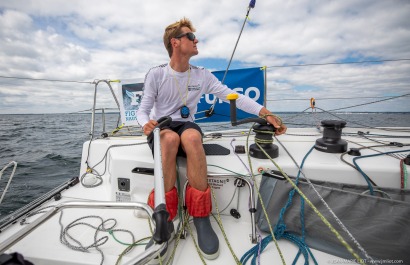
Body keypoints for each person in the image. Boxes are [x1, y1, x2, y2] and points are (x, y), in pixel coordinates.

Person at [136, 17, 286, 261]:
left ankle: (201, 217)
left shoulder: (202, 75)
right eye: (191, 37)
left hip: (186, 124)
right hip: (162, 125)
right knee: (169, 141)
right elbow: (143, 110)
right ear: (175, 43)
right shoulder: (157, 74)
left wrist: (265, 113)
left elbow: (232, 95)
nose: (196, 41)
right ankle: (167, 216)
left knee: (193, 137)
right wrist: (146, 124)